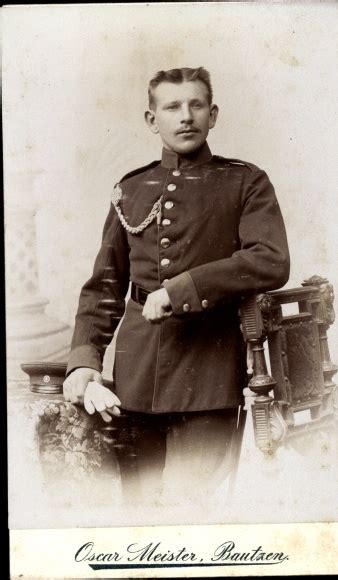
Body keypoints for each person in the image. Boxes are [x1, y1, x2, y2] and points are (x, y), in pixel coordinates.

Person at [63, 67, 290, 505]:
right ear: (152, 120)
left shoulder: (245, 181)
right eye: (172, 107)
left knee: (191, 509)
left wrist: (184, 288)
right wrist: (83, 361)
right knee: (140, 509)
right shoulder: (130, 189)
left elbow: (270, 259)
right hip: (133, 379)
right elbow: (104, 287)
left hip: (207, 378)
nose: (186, 116)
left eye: (196, 105)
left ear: (213, 114)